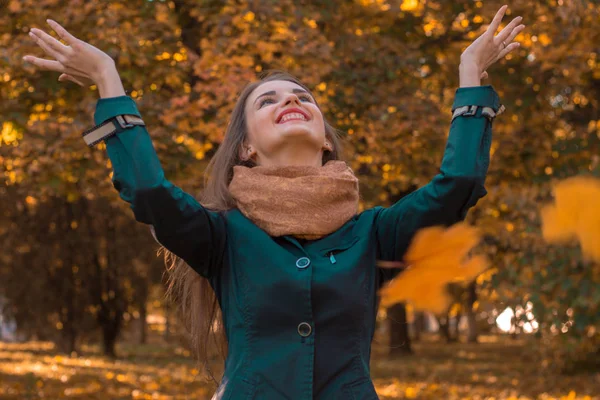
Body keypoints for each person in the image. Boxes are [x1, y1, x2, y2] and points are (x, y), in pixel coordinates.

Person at [22, 5, 524, 399]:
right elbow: (150, 192)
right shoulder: (220, 236)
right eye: (269, 100)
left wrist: (470, 73)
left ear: (325, 137)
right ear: (246, 147)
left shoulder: (375, 233)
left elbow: (457, 184)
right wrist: (109, 81)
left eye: (303, 96)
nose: (291, 101)